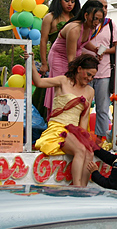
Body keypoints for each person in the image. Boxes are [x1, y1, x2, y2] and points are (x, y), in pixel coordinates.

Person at [30, 53, 99, 187]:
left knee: (89, 153)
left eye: (92, 76)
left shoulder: (90, 91)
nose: (89, 78)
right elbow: (38, 83)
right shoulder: (63, 81)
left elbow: (84, 117)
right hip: (58, 128)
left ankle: (83, 188)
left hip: (75, 131)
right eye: (88, 74)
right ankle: (77, 187)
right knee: (80, 150)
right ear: (79, 69)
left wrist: (83, 137)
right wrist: (32, 62)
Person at [44, 0, 105, 115]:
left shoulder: (90, 27)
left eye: (100, 20)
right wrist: (76, 73)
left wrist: (95, 50)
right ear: (86, 15)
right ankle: (55, 115)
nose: (97, 22)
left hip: (74, 59)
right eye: (95, 18)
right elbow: (71, 57)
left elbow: (83, 42)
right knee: (62, 87)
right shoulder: (74, 29)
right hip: (60, 58)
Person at [83, 0, 117, 141]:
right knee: (82, 106)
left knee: (103, 108)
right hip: (84, 70)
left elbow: (116, 47)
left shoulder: (110, 24)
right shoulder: (85, 23)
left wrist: (102, 51)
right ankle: (81, 136)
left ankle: (101, 139)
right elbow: (80, 41)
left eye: (105, 6)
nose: (103, 9)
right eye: (100, 6)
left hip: (104, 71)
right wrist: (92, 50)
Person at [39, 0, 81, 76]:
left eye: (72, 1)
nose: (70, 4)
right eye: (67, 0)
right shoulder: (49, 17)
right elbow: (43, 41)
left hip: (75, 58)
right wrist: (44, 63)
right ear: (59, 0)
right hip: (57, 57)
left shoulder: (76, 19)